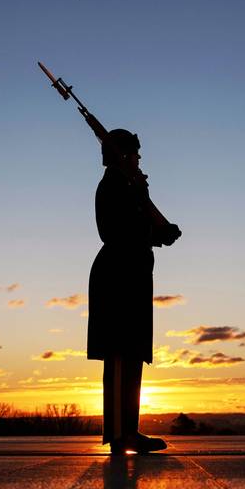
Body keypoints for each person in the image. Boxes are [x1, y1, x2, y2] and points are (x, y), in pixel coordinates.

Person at [86, 129, 181, 454]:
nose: (140, 160)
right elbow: (113, 231)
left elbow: (136, 228)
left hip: (133, 274)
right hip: (117, 276)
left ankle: (129, 430)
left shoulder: (128, 187)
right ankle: (118, 435)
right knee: (118, 355)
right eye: (135, 154)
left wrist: (160, 233)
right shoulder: (113, 186)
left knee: (132, 355)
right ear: (123, 156)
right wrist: (150, 228)